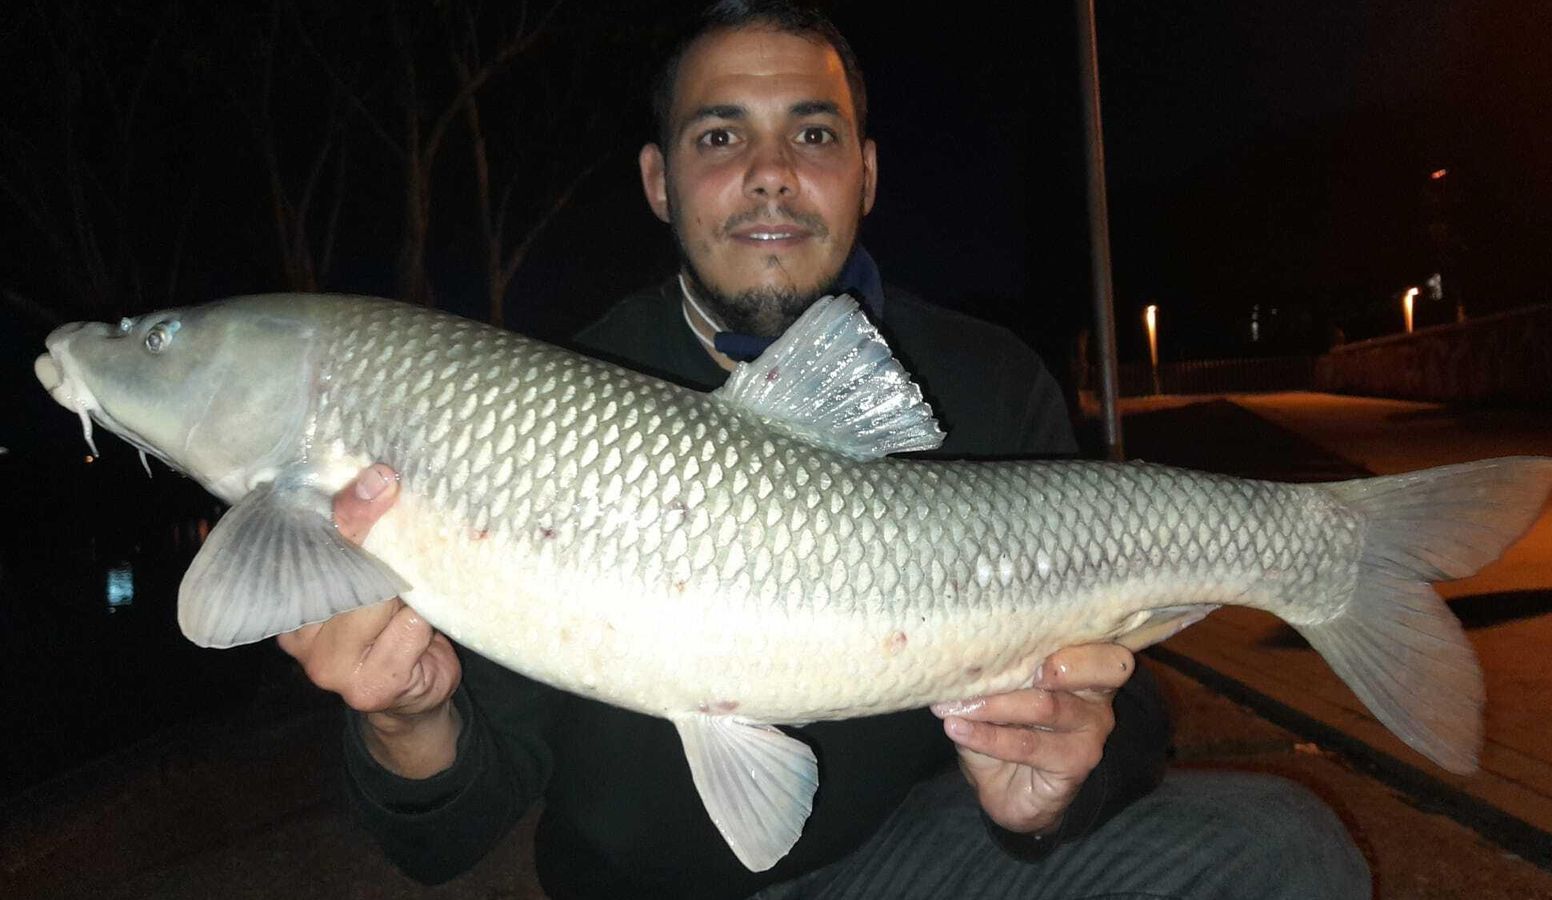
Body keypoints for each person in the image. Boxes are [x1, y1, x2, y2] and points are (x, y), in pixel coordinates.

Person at [278, 3, 1371, 897]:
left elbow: (1119, 689)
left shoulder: (989, 377)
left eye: (812, 134)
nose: (770, 172)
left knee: (1284, 847)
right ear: (659, 182)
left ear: (866, 173)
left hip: (899, 860)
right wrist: (406, 717)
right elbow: (446, 836)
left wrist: (1063, 779)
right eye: (720, 137)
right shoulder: (544, 405)